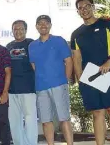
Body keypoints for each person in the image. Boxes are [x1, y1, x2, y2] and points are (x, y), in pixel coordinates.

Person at [71, 0, 110, 145]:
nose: (84, 10)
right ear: (78, 12)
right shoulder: (76, 34)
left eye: (87, 6)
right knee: (97, 113)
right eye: (80, 8)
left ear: (93, 7)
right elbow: (77, 59)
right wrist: (81, 80)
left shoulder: (109, 25)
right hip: (90, 78)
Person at [29, 15, 74, 145]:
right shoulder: (32, 45)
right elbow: (34, 66)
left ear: (50, 25)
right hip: (41, 87)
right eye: (40, 23)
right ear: (36, 26)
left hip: (59, 85)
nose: (43, 25)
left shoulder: (59, 40)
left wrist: (65, 81)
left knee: (64, 118)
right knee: (45, 120)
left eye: (46, 23)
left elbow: (68, 61)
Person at [6, 20, 38, 145]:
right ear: (12, 31)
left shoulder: (32, 44)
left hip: (28, 88)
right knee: (14, 121)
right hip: (12, 90)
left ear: (25, 30)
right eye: (15, 29)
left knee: (30, 120)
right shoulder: (8, 46)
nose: (18, 31)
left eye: (21, 29)